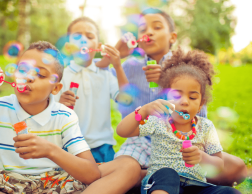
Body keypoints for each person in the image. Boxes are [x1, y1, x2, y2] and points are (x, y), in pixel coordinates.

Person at [96, 7, 247, 188]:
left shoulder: (185, 68)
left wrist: (165, 83)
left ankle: (145, 177)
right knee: (128, 168)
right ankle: (147, 175)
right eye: (143, 29)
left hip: (178, 141)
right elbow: (96, 73)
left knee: (238, 168)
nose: (149, 32)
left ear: (172, 37)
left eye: (157, 27)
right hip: (140, 142)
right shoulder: (129, 66)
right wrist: (118, 55)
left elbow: (198, 117)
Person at [0, 41, 100, 194]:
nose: (28, 77)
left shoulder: (64, 116)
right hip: (9, 181)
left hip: (55, 182)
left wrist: (50, 150)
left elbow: (92, 174)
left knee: (119, 167)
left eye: (40, 74)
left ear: (55, 88)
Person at [116, 48, 241, 194]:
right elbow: (122, 131)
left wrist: (202, 157)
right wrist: (142, 111)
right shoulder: (158, 122)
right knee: (168, 174)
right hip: (161, 182)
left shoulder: (206, 126)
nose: (184, 102)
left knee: (229, 192)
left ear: (201, 103)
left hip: (196, 186)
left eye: (192, 97)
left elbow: (219, 164)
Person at [55, 17, 129, 163]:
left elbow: (126, 99)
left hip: (103, 146)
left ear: (99, 46)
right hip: (69, 146)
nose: (83, 40)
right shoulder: (61, 76)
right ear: (68, 47)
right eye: (77, 36)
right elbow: (49, 111)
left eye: (89, 36)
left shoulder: (105, 76)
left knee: (108, 181)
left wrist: (118, 66)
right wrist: (60, 103)